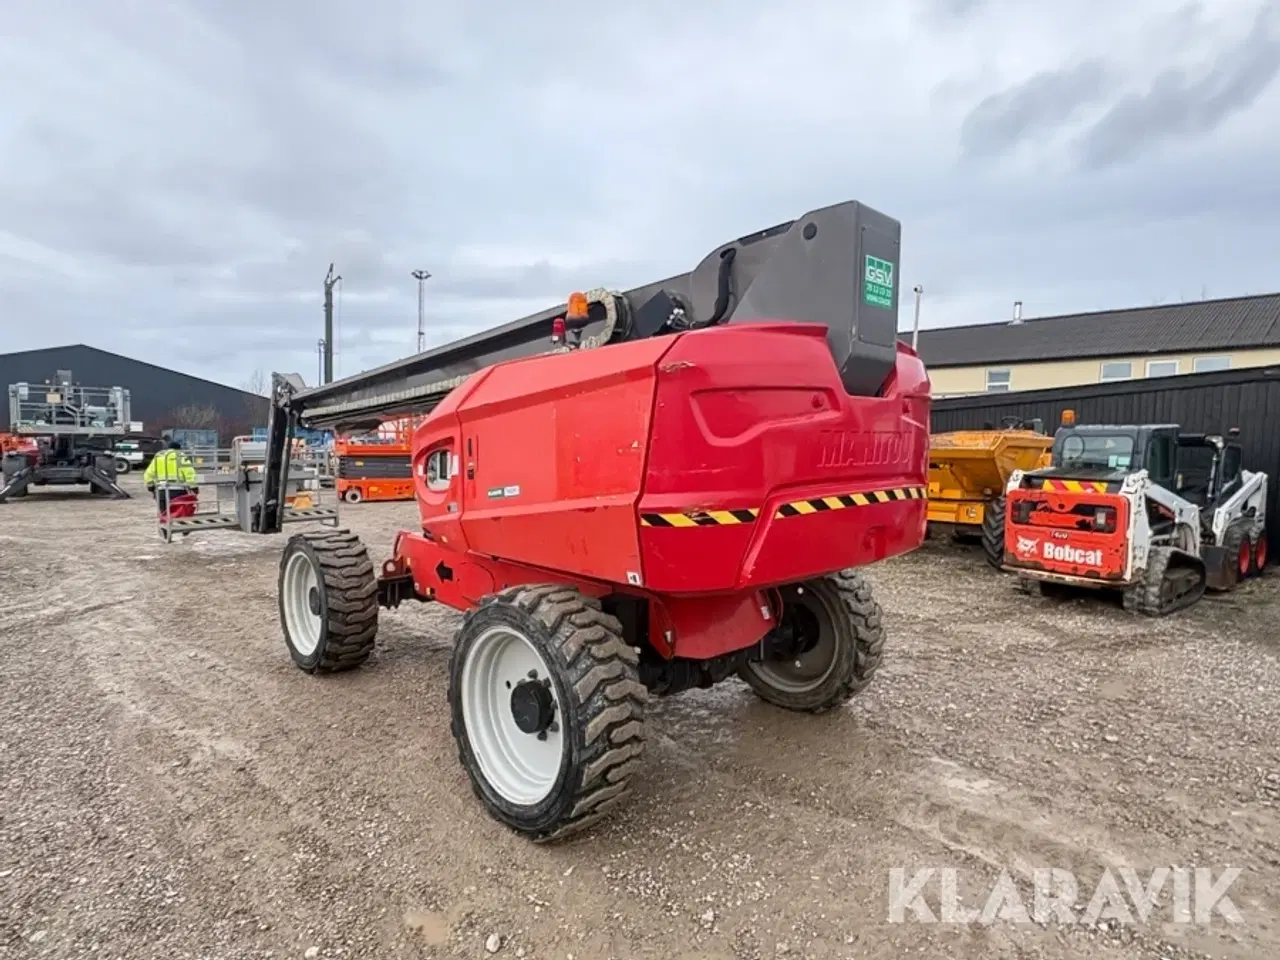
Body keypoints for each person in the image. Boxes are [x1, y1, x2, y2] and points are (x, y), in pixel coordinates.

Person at [144, 440, 198, 514]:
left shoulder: (159, 457)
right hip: (178, 491)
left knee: (164, 516)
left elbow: (148, 474)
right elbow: (189, 473)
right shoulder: (180, 456)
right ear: (179, 449)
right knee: (178, 515)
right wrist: (194, 487)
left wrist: (150, 486)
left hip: (161, 491)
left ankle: (164, 524)